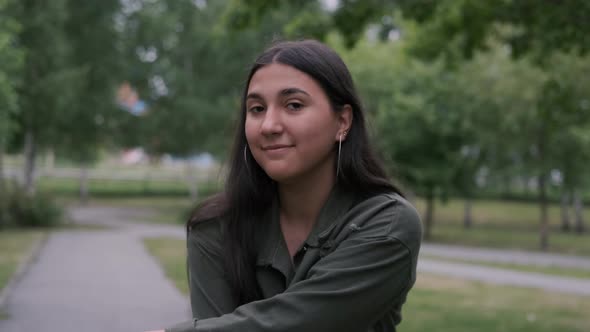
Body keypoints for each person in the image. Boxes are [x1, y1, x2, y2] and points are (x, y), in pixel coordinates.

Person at [149, 39, 422, 332]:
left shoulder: (387, 225)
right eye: (256, 109)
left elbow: (305, 322)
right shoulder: (215, 227)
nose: (268, 125)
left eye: (293, 105)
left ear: (342, 121)